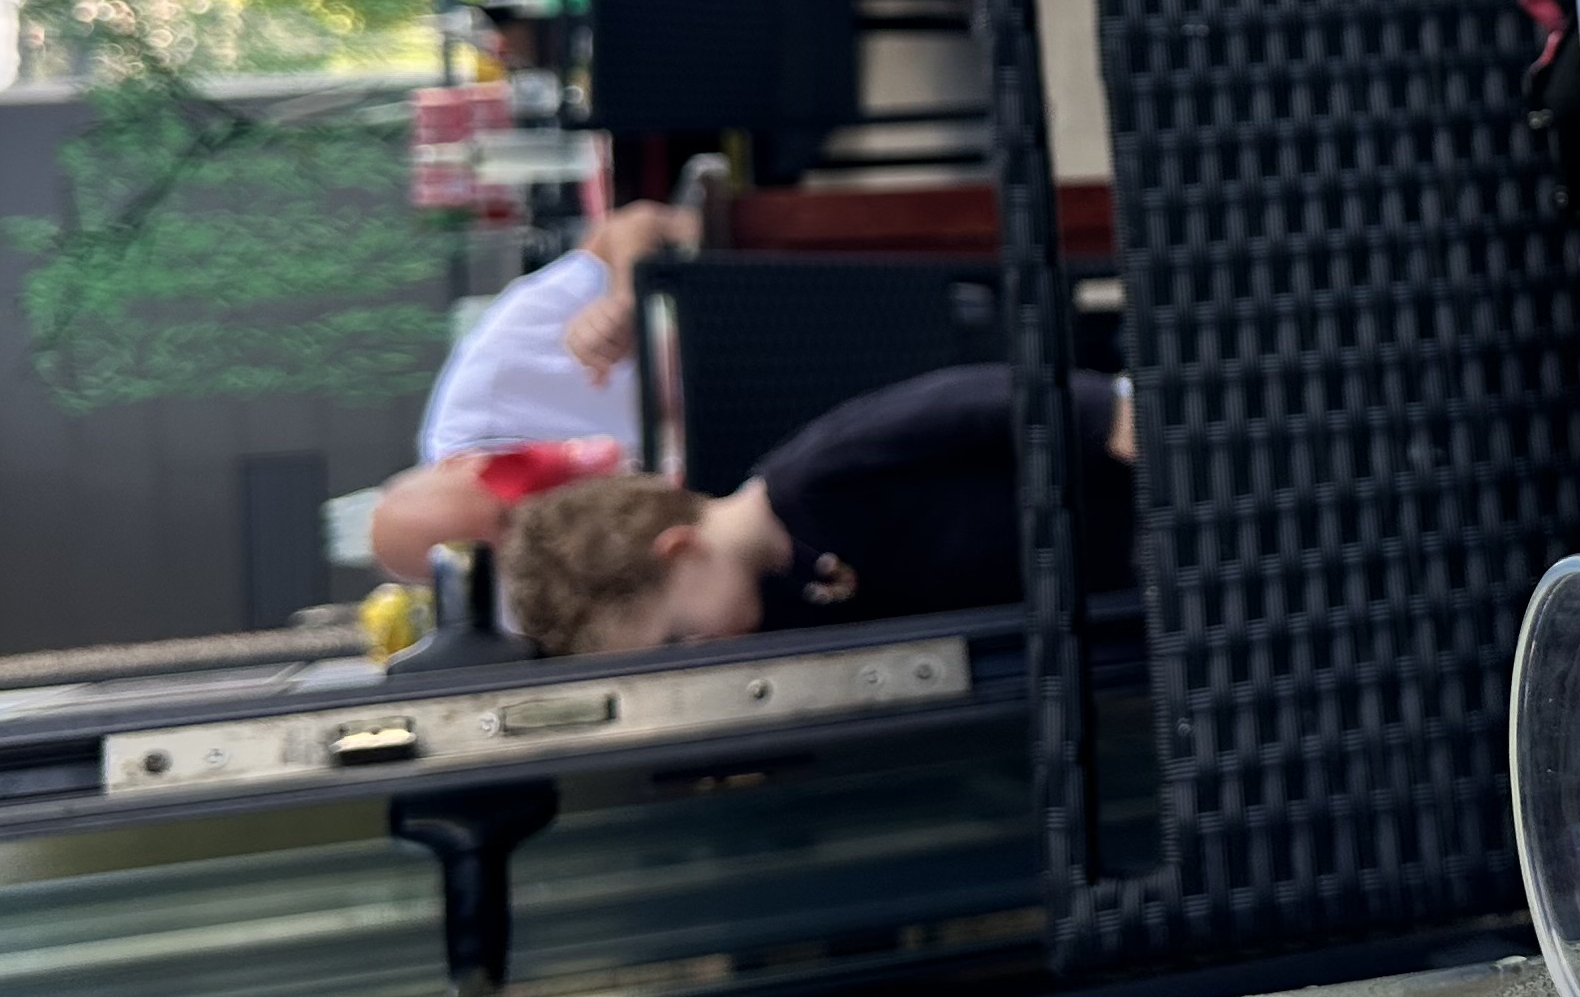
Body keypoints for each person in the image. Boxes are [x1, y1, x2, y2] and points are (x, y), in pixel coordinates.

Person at [499, 367, 1139, 656]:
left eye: (677, 637)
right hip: (1115, 589)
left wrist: (1106, 418)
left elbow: (972, 401)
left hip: (1130, 500)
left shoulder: (816, 475)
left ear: (679, 549)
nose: (697, 651)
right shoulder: (783, 599)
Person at [364, 200, 696, 578]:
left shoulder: (497, 373)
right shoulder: (548, 587)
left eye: (507, 514)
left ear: (462, 461)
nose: (530, 536)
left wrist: (626, 300)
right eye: (509, 557)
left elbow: (636, 224)